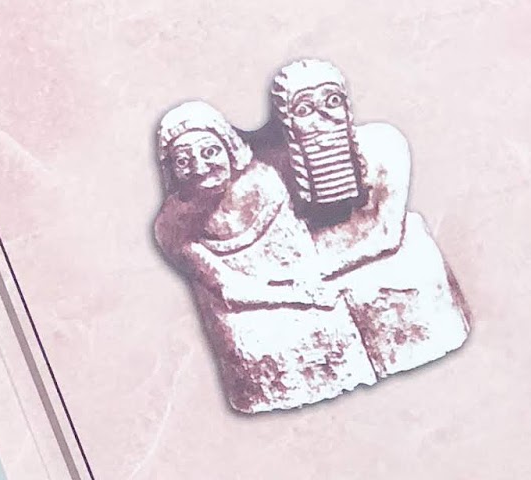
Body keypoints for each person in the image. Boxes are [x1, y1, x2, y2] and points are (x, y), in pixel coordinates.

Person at [153, 102, 377, 413]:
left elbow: (298, 255)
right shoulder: (172, 225)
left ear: (230, 148)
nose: (200, 168)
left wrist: (308, 289)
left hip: (299, 285)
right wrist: (299, 296)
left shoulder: (262, 181)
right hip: (247, 310)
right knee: (249, 339)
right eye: (183, 160)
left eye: (210, 151)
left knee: (330, 318)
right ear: (170, 171)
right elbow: (228, 289)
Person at [264, 60, 469, 379]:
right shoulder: (274, 173)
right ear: (288, 123)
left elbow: (388, 235)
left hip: (360, 259)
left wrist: (321, 271)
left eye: (332, 101)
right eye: (304, 109)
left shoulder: (383, 144)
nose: (323, 118)